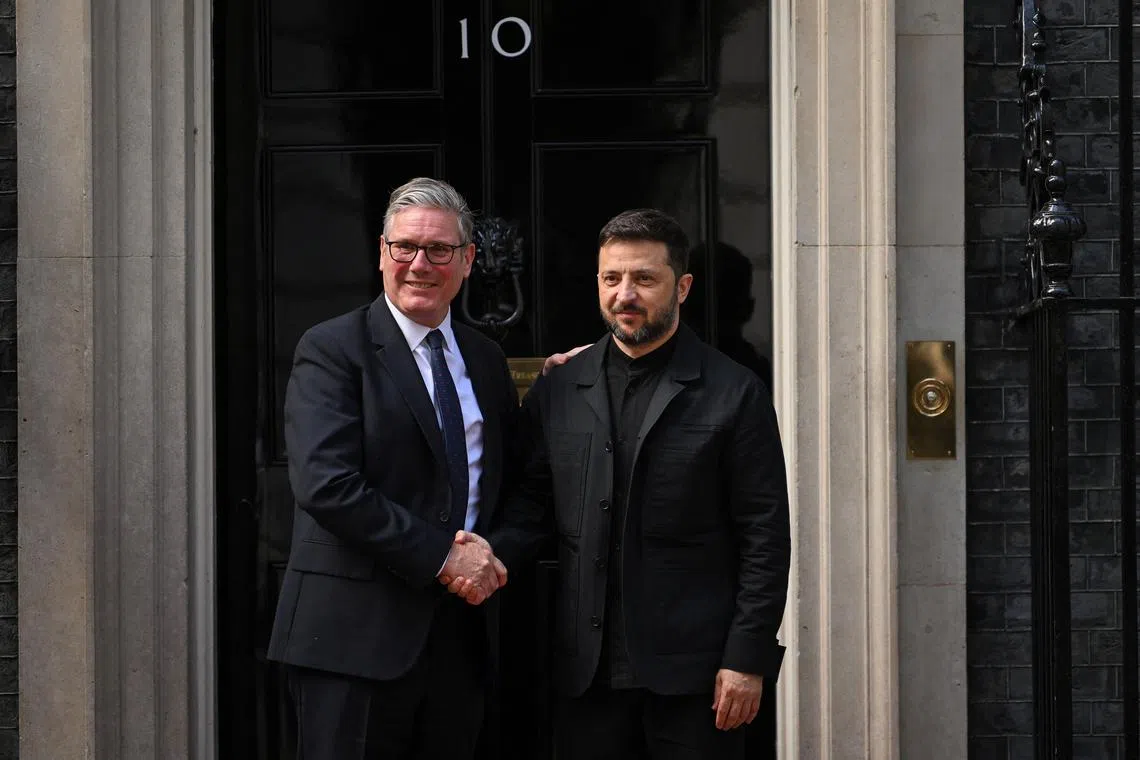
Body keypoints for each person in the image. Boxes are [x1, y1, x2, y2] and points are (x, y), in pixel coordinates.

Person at [452, 208, 791, 759]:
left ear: (681, 287)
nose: (625, 294)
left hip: (698, 680)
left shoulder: (736, 394)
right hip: (584, 677)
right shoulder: (559, 389)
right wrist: (484, 555)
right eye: (612, 279)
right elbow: (533, 509)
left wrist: (746, 658)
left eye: (644, 279)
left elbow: (765, 538)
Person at [267, 177, 515, 759]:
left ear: (469, 260)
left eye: (440, 250)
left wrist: (491, 560)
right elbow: (326, 484)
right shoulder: (331, 349)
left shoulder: (486, 358)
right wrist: (444, 557)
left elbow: (518, 480)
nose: (419, 264)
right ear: (382, 252)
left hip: (458, 640)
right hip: (350, 643)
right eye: (405, 247)